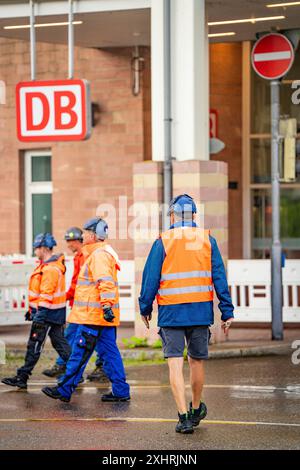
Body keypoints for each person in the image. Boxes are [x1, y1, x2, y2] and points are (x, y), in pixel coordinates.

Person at [139, 194, 234, 434]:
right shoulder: (207, 240)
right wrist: (226, 311)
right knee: (196, 361)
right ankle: (195, 407)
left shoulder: (163, 241)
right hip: (200, 311)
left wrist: (145, 307)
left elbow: (150, 279)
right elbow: (219, 277)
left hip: (171, 312)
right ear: (193, 215)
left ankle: (183, 417)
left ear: (172, 215)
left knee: (174, 362)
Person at [41, 218, 130, 403]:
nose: (82, 236)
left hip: (93, 316)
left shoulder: (98, 255)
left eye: (85, 232)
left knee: (79, 353)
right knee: (110, 354)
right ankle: (121, 391)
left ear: (92, 235)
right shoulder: (101, 253)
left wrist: (105, 306)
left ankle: (64, 389)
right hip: (100, 316)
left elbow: (104, 282)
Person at [2, 233, 71, 389]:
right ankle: (75, 373)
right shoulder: (48, 266)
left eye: (36, 248)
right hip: (53, 314)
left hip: (47, 315)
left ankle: (22, 377)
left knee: (34, 345)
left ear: (44, 248)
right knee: (59, 343)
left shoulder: (50, 269)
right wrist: (32, 311)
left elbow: (46, 294)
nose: (34, 251)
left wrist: (39, 316)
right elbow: (40, 293)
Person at [42, 227, 108, 382]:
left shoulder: (85, 256)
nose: (68, 245)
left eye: (71, 241)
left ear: (79, 240)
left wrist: (67, 295)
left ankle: (92, 368)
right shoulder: (79, 256)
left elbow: (81, 282)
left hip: (87, 307)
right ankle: (66, 365)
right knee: (74, 336)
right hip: (81, 305)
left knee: (88, 338)